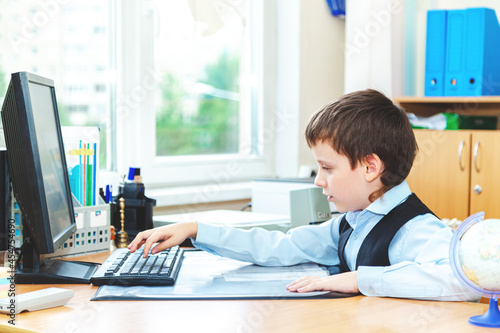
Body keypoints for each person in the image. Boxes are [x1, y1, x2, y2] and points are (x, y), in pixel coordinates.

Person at [128, 89, 478, 301]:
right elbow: (281, 246)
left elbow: (463, 281)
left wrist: (358, 279)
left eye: (327, 169)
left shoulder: (412, 229)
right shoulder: (352, 222)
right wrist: (196, 230)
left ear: (370, 168)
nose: (318, 182)